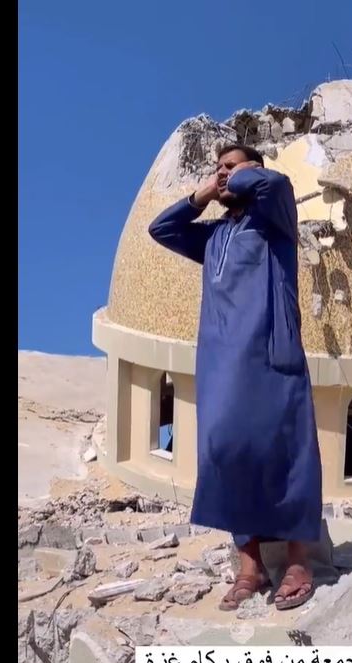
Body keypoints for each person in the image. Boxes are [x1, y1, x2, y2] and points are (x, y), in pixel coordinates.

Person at [148, 144, 322, 611]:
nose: (222, 174)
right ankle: (250, 565)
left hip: (271, 353)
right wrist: (203, 194)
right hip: (223, 361)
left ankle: (298, 562)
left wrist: (241, 175)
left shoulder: (275, 221)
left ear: (252, 171)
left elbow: (275, 184)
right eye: (217, 167)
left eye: (231, 167)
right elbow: (161, 229)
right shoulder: (213, 237)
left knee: (286, 450)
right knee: (227, 450)